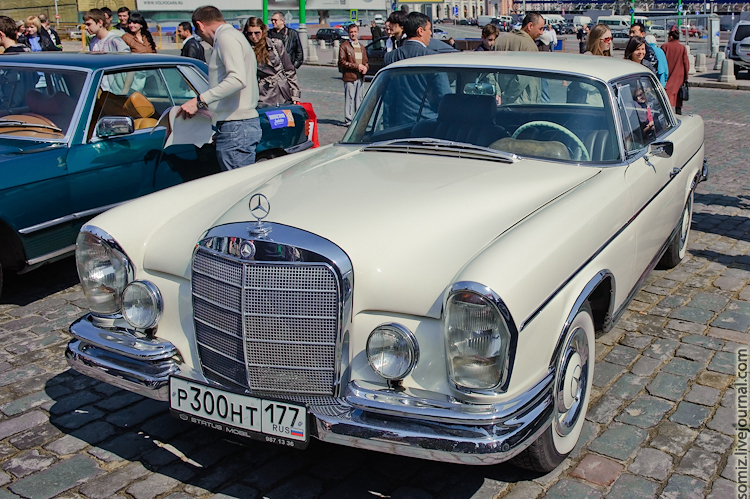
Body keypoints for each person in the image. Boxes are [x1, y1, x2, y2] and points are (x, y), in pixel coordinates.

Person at [180, 6, 260, 170]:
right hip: (237, 124)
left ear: (200, 25)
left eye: (199, 32)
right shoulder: (234, 36)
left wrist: (199, 101)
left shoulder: (226, 38)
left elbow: (237, 79)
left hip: (237, 124)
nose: (201, 37)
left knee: (238, 188)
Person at [244, 17, 300, 107]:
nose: (253, 36)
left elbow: (289, 70)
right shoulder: (246, 49)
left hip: (281, 91)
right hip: (261, 93)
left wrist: (295, 94)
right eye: (250, 33)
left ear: (263, 31)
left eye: (257, 33)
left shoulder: (275, 44)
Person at [338, 23, 368, 125]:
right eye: (351, 32)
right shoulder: (344, 46)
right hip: (350, 76)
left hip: (360, 76)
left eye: (355, 32)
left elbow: (366, 61)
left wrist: (365, 68)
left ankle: (358, 119)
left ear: (358, 32)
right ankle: (349, 120)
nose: (353, 34)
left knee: (359, 98)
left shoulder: (361, 46)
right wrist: (357, 66)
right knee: (349, 98)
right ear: (348, 33)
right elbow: (342, 61)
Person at [662, 29, 689, 115]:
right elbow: (686, 63)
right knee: (678, 95)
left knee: (667, 95)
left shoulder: (664, 46)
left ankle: (668, 114)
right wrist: (686, 76)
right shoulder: (682, 48)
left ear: (670, 37)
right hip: (679, 75)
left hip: (668, 73)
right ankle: (678, 113)